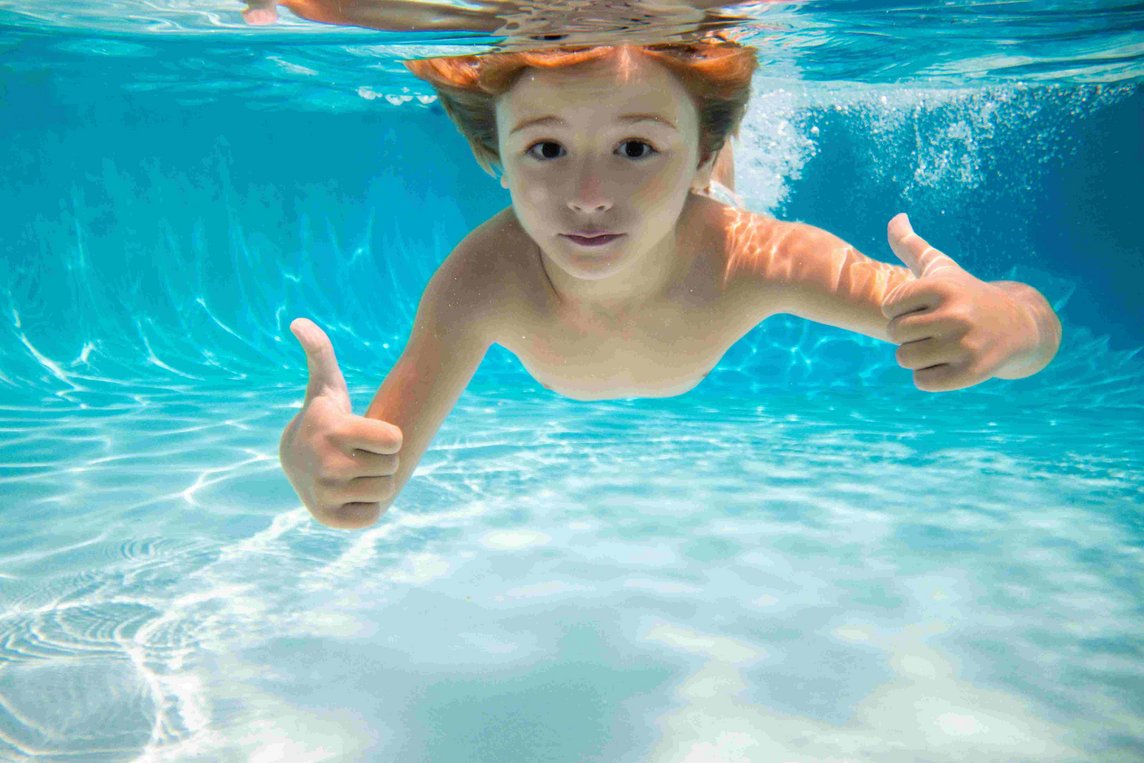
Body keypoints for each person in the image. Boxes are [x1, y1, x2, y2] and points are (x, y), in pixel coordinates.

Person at [277, 39, 1062, 530]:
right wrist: (324, 470)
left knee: (722, 183)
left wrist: (1009, 325)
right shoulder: (483, 281)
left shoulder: (754, 258)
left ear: (690, 154)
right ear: (497, 158)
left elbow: (1032, 327)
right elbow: (366, 489)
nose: (587, 194)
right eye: (545, 150)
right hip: (685, 172)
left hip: (705, 206)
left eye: (633, 149)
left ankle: (714, 149)